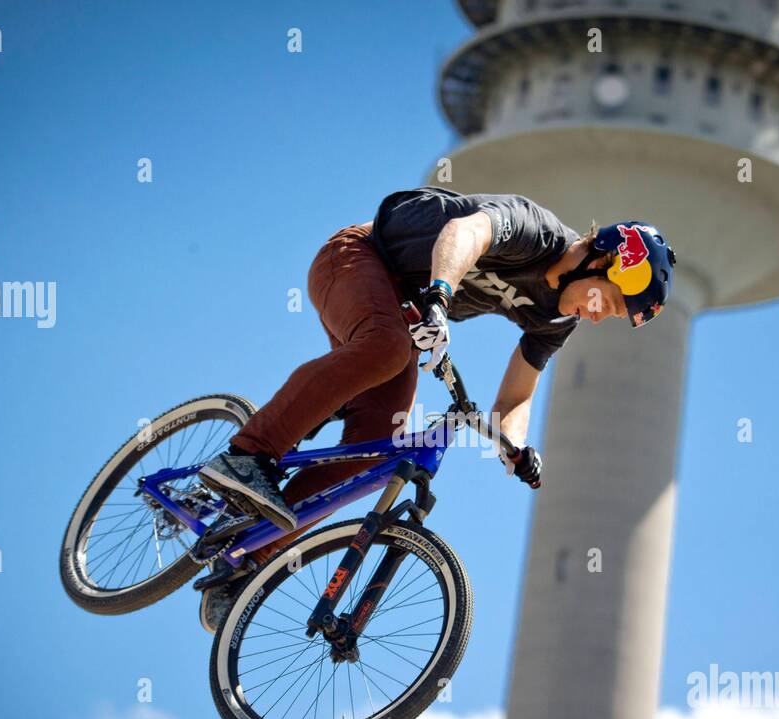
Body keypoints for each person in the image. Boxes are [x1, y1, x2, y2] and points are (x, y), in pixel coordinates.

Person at [196, 187, 675, 633]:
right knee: (385, 348)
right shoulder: (536, 231)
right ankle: (247, 455)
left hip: (404, 314)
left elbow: (514, 398)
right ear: (601, 259)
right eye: (606, 301)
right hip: (358, 257)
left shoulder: (555, 319)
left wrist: (515, 444)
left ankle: (245, 557)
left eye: (607, 316)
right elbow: (464, 231)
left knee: (373, 453)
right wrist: (441, 298)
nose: (594, 315)